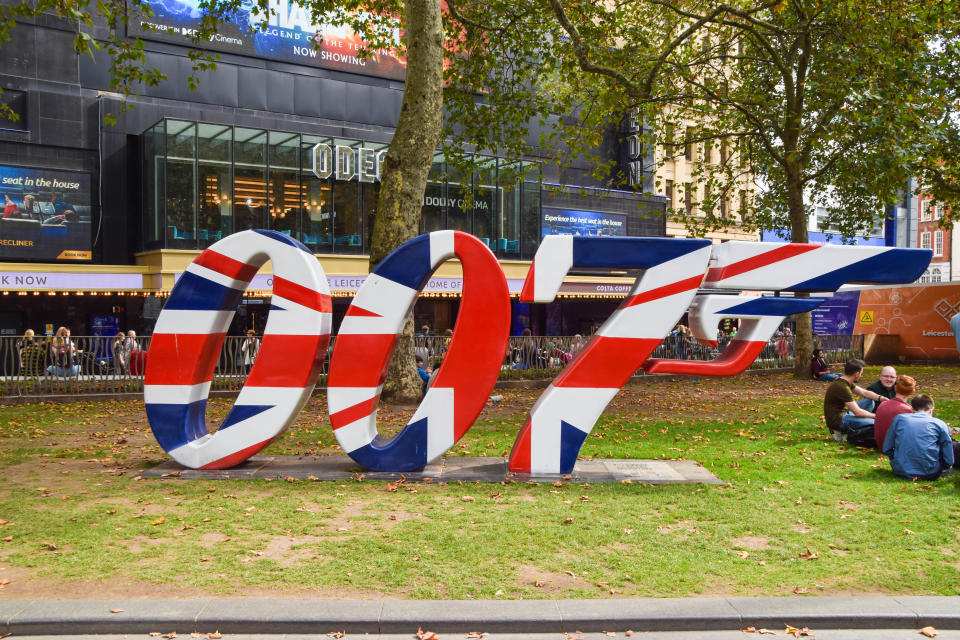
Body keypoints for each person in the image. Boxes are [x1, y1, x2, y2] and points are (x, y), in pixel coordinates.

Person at [882, 394, 959, 481]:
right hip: (930, 472)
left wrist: (896, 460)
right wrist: (948, 466)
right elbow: (947, 450)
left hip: (900, 470)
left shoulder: (899, 419)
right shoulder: (939, 423)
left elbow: (886, 448)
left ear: (912, 409)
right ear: (931, 408)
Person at [823, 359, 887, 446]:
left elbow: (864, 393)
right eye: (861, 373)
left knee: (870, 401)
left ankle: (854, 427)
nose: (861, 375)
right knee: (875, 423)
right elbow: (857, 412)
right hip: (838, 420)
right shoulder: (842, 387)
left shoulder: (844, 381)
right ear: (856, 374)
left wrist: (881, 398)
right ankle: (840, 430)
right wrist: (878, 417)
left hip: (844, 414)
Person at [874, 375, 916, 450]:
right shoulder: (909, 411)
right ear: (912, 392)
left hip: (881, 445)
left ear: (895, 388)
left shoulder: (882, 405)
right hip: (896, 448)